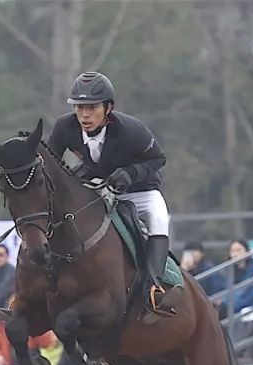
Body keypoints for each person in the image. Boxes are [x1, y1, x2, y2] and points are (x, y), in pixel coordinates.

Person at [47, 71, 176, 322]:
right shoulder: (65, 127)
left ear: (108, 108)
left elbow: (158, 159)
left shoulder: (131, 129)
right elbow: (51, 163)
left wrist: (131, 172)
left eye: (92, 108)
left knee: (160, 219)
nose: (84, 115)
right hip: (98, 186)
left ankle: (154, 289)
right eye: (79, 107)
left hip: (140, 191)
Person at [219, 240, 253, 319]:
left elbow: (249, 293)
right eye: (232, 251)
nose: (235, 254)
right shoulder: (230, 269)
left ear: (247, 251)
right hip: (236, 304)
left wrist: (229, 304)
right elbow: (225, 289)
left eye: (238, 250)